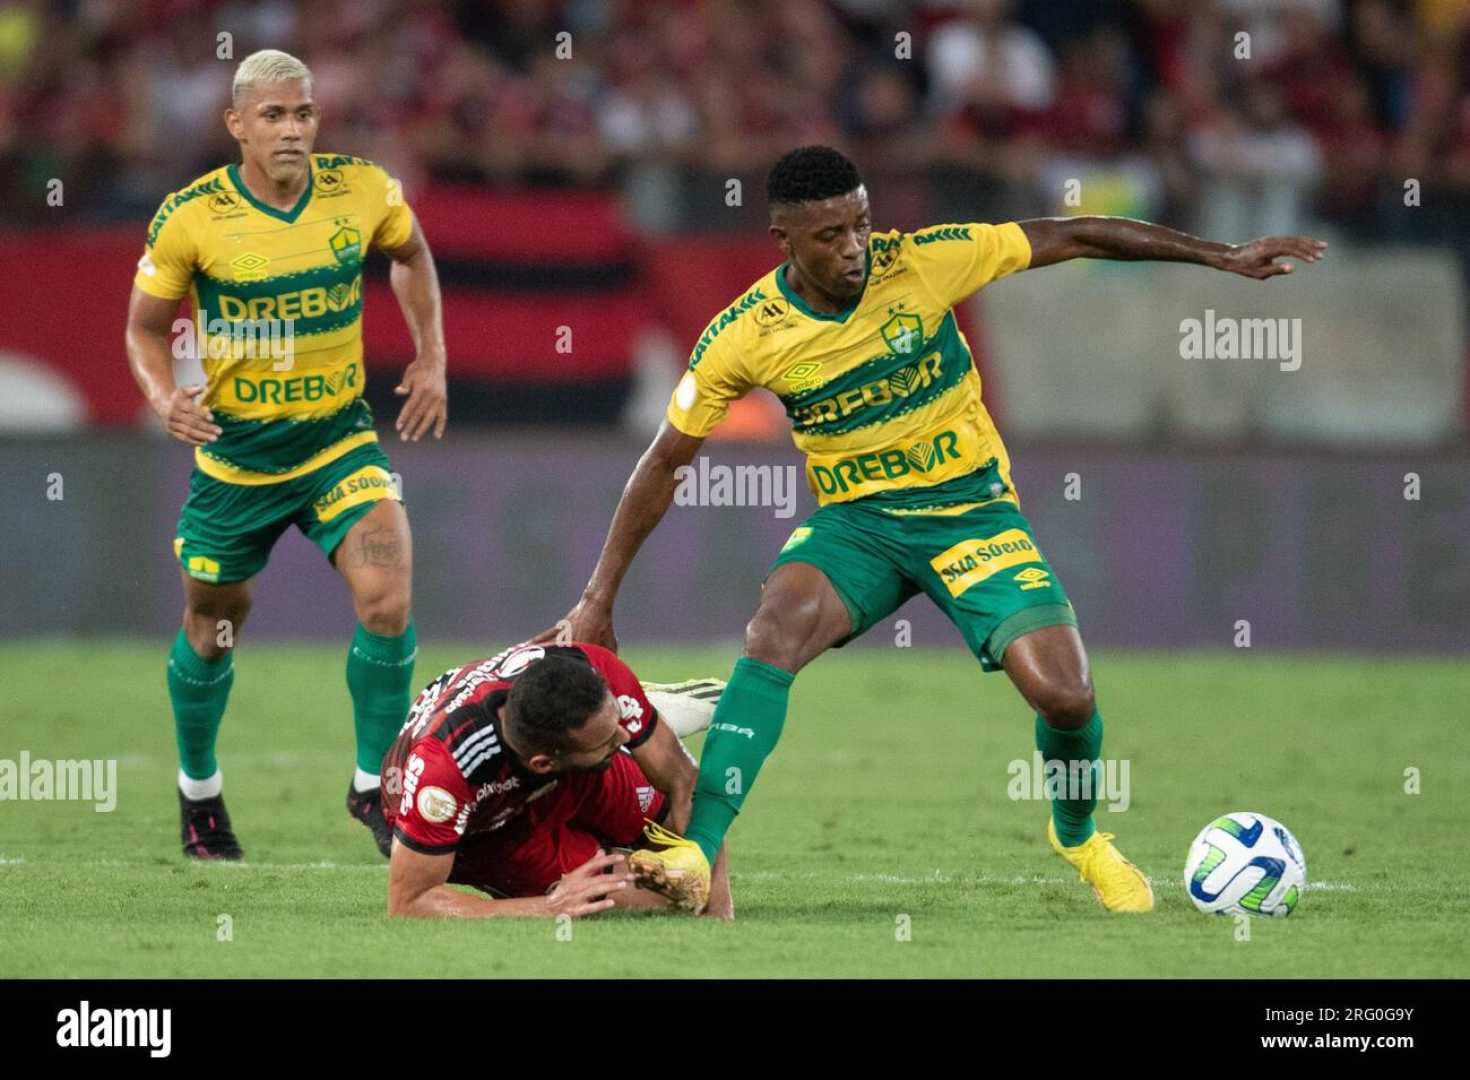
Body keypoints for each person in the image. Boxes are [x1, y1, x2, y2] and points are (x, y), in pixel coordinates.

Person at [541, 144, 1326, 913]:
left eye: (861, 224)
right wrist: (598, 595)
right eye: (831, 235)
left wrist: (1219, 255)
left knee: (1065, 695)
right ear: (783, 240)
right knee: (772, 630)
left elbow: (1075, 232)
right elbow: (664, 461)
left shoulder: (925, 260)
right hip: (860, 525)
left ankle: (1080, 835)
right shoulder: (745, 333)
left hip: (971, 514)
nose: (855, 247)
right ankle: (696, 850)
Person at [124, 49, 448, 860]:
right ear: (236, 124)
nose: (293, 130)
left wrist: (430, 354)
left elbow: (410, 256)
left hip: (339, 440)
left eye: (303, 113)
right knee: (213, 627)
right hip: (238, 461)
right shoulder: (192, 216)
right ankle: (199, 793)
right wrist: (166, 398)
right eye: (273, 115)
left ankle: (375, 786)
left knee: (387, 599)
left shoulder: (363, 190)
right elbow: (142, 328)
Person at [383, 642, 732, 918]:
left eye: (617, 727)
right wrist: (548, 908)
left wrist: (716, 907)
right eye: (609, 738)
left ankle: (638, 711)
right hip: (487, 830)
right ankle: (641, 717)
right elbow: (409, 902)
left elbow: (685, 782)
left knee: (682, 838)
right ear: (543, 763)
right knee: (639, 895)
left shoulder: (591, 665)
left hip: (574, 770)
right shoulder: (444, 772)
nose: (625, 740)